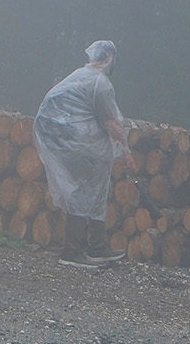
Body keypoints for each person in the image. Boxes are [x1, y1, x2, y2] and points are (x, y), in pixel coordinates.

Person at [33, 41, 130, 269]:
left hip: (69, 141)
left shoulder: (80, 75)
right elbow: (111, 122)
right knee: (80, 193)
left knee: (96, 191)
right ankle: (71, 251)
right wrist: (126, 152)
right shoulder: (100, 84)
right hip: (78, 145)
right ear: (109, 57)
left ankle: (97, 247)